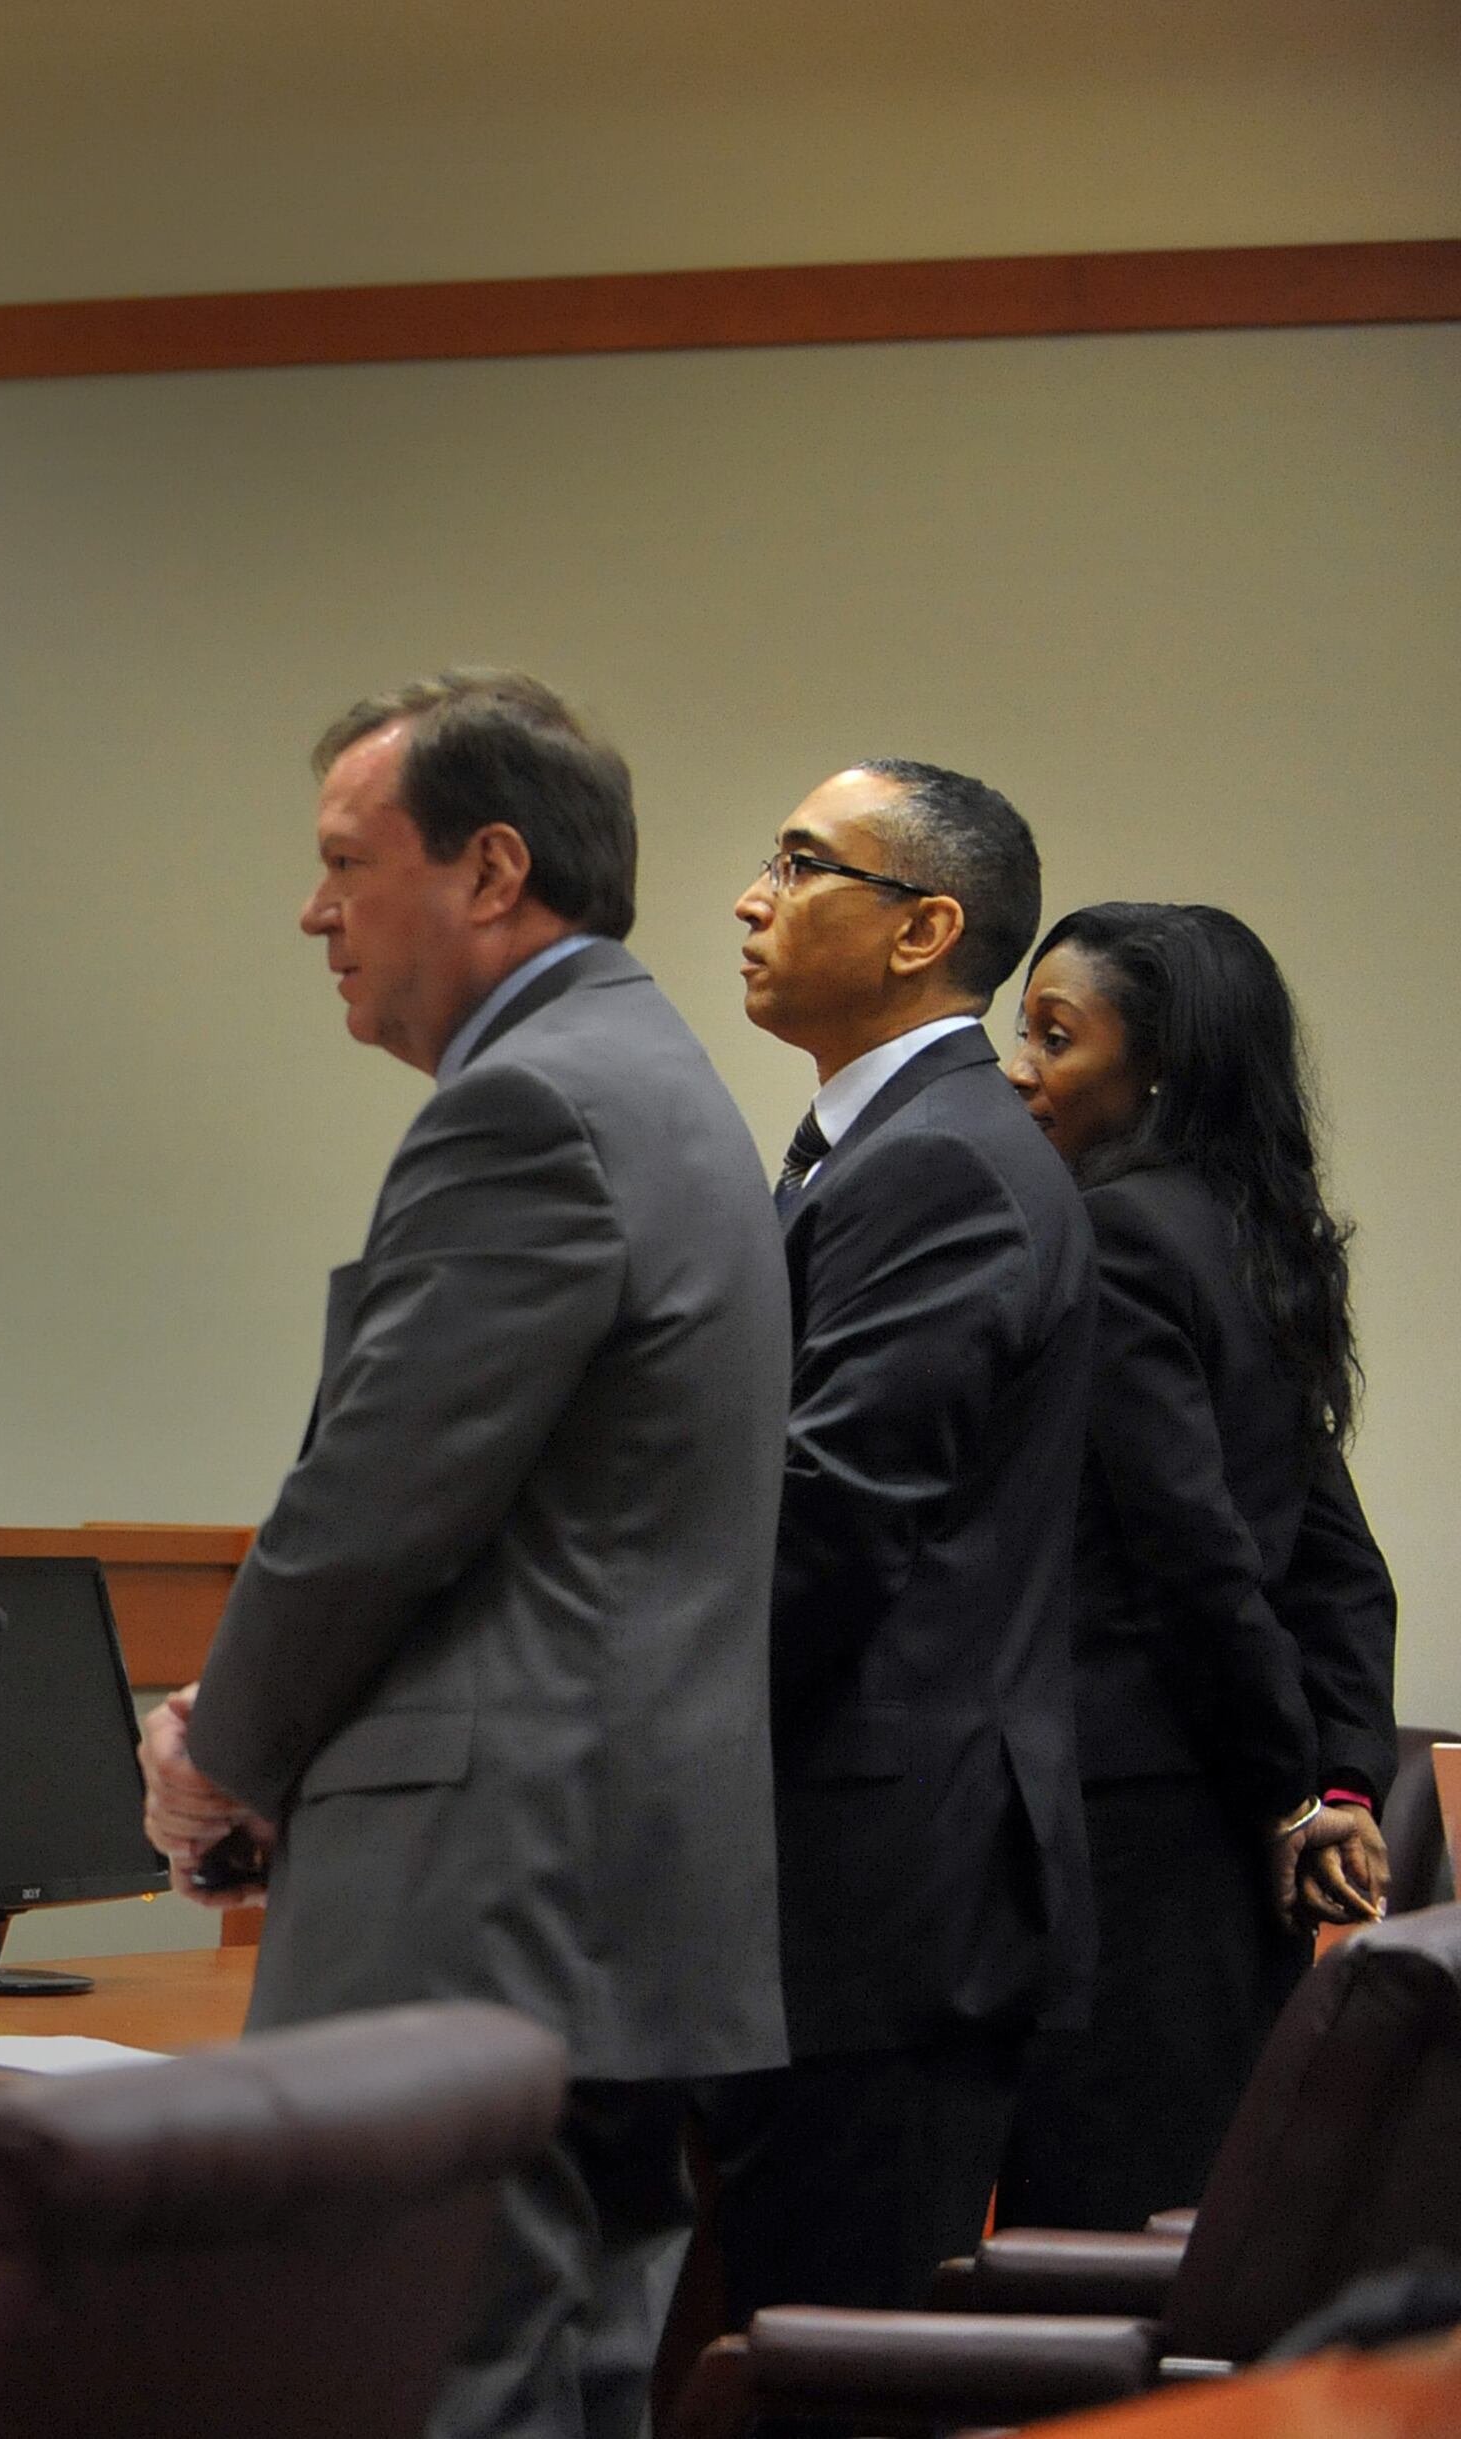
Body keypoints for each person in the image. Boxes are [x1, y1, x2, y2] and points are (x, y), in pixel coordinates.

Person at [142, 671, 788, 2439]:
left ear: (493, 870)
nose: (315, 911)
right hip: (612, 1896)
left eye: (348, 862)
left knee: (424, 2389)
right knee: (559, 2384)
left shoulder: (530, 1109)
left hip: (486, 1900)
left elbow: (375, 1504)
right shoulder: (654, 1080)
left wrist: (220, 1755)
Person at [711, 760, 1094, 2326]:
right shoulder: (880, 1147)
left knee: (829, 2364)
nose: (753, 898)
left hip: (876, 1894)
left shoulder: (938, 1159)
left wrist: (626, 1752)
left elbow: (830, 1522)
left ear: (924, 928)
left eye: (804, 865)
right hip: (854, 1881)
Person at [997, 902, 1396, 2229]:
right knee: (1202, 2218)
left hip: (1132, 1821)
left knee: (1104, 2212)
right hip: (1230, 1822)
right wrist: (1340, 1783)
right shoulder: (1260, 1240)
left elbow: (1194, 1558)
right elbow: (1341, 1567)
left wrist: (1291, 1795)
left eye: (1056, 1038)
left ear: (1159, 1066)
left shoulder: (1113, 1234)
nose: (1019, 1070)